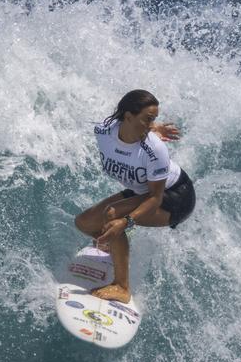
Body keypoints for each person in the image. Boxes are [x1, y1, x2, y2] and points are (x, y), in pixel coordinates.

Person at [74, 89, 196, 303]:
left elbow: (155, 198)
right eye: (147, 119)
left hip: (174, 196)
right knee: (84, 223)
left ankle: (122, 287)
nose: (150, 126)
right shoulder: (104, 131)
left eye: (154, 120)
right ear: (128, 117)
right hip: (142, 190)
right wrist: (153, 127)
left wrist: (127, 220)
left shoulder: (154, 149)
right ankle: (115, 245)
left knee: (112, 215)